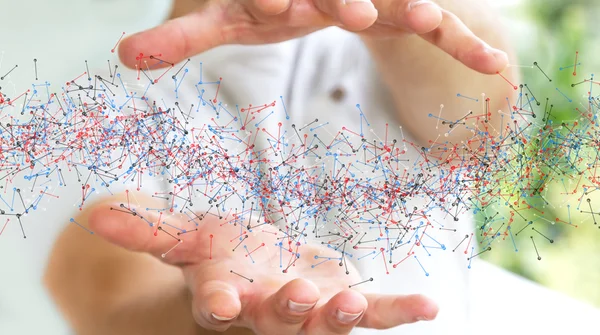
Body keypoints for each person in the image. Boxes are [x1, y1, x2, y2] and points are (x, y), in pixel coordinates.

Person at [44, 0, 517, 334]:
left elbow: (481, 109)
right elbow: (108, 297)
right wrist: (231, 318)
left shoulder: (380, 54)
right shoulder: (103, 104)